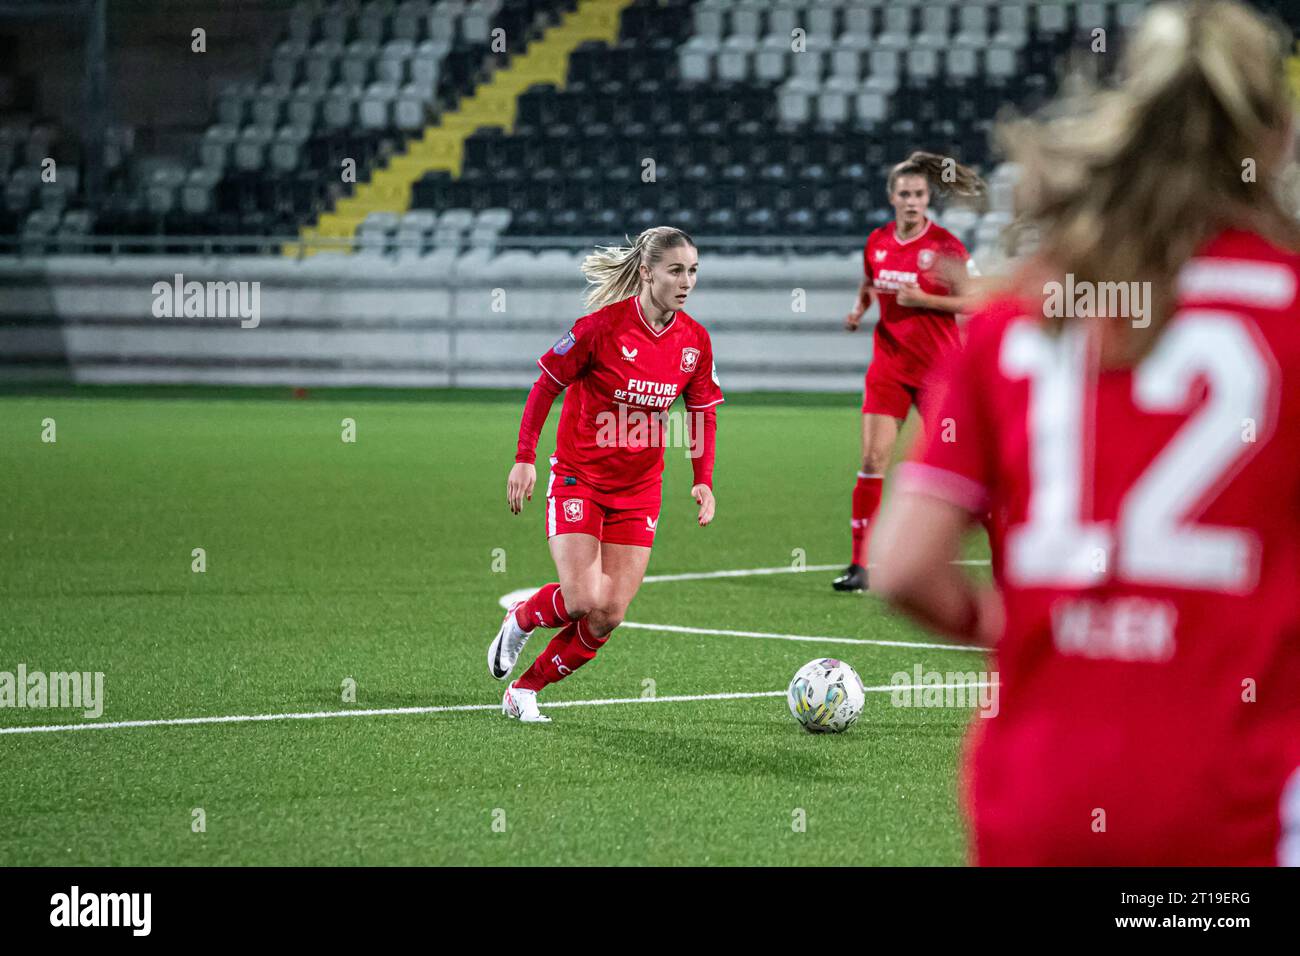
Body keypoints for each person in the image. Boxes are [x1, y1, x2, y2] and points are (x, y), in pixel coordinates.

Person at [873, 0, 1300, 864]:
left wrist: (1041, 625)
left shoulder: (1021, 310)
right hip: (1233, 811)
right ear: (1273, 135)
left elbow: (903, 567)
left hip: (1038, 804)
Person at [487, 226, 724, 723]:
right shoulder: (600, 328)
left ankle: (524, 692)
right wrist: (524, 457)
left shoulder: (695, 343)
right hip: (580, 477)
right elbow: (546, 384)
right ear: (647, 271)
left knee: (608, 614)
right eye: (676, 270)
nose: (687, 281)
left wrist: (702, 478)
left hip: (640, 490)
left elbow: (702, 411)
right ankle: (523, 618)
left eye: (694, 271)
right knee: (580, 599)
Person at [834, 151, 986, 592]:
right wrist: (858, 311)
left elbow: (976, 300)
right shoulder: (877, 241)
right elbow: (870, 282)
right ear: (891, 197)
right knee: (872, 460)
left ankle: (999, 565)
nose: (912, 200)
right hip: (889, 367)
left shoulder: (946, 247)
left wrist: (929, 302)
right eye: (905, 193)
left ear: (928, 197)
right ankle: (859, 565)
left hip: (939, 372)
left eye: (919, 193)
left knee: (954, 466)